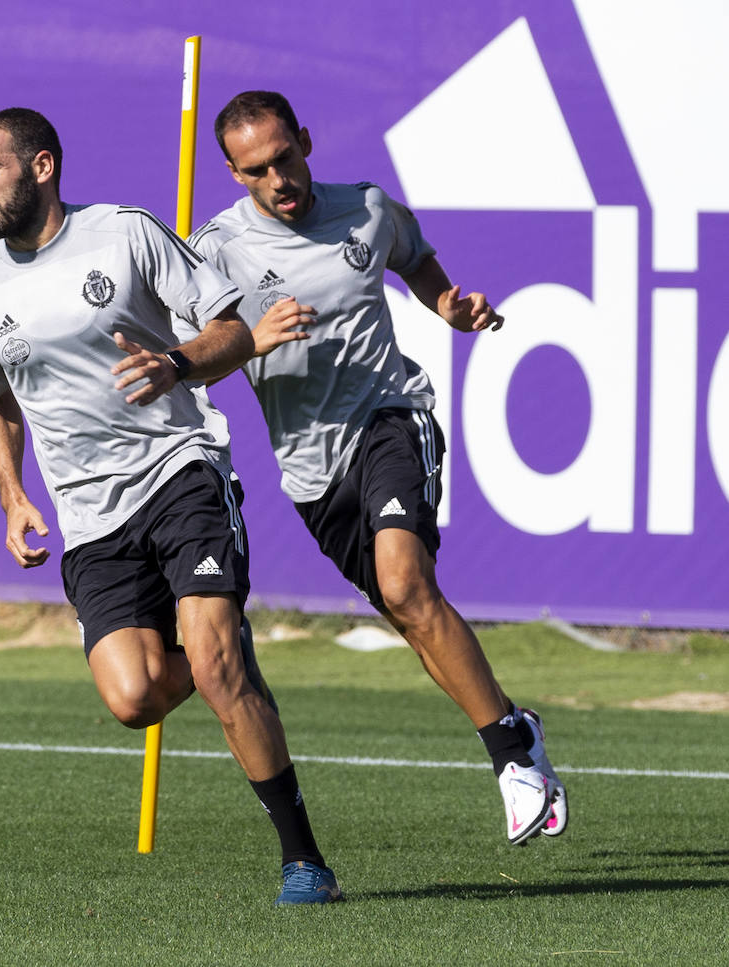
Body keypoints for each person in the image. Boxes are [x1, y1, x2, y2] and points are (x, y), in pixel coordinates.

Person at [0, 107, 341, 903]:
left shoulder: (126, 234)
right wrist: (14, 494)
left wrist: (175, 362)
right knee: (134, 698)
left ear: (42, 166)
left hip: (178, 470)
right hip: (91, 520)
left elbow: (233, 333)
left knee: (219, 663)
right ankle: (219, 652)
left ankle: (305, 861)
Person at [188, 90, 567, 846]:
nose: (278, 180)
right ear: (235, 174)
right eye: (256, 170)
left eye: (285, 158)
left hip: (390, 417)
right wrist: (252, 342)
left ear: (305, 138)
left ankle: (510, 757)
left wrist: (450, 308)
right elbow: (199, 362)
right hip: (311, 469)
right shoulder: (216, 249)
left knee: (404, 581)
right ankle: (517, 723)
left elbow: (418, 262)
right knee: (406, 612)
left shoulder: (366, 208)